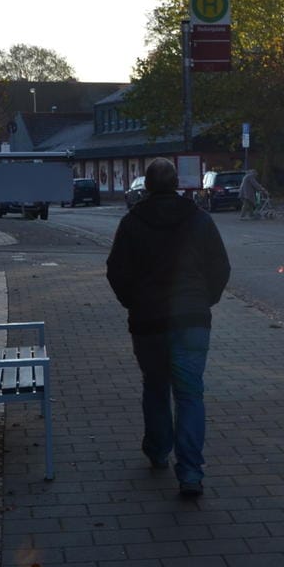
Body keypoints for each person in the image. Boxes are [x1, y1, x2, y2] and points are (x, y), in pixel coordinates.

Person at [105, 158, 231, 498]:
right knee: (190, 395)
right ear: (177, 183)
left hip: (148, 321)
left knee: (156, 387)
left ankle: (158, 450)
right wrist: (205, 300)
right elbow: (220, 265)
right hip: (191, 319)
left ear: (146, 186)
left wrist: (133, 303)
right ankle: (190, 474)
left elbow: (116, 270)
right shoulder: (199, 220)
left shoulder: (132, 222)